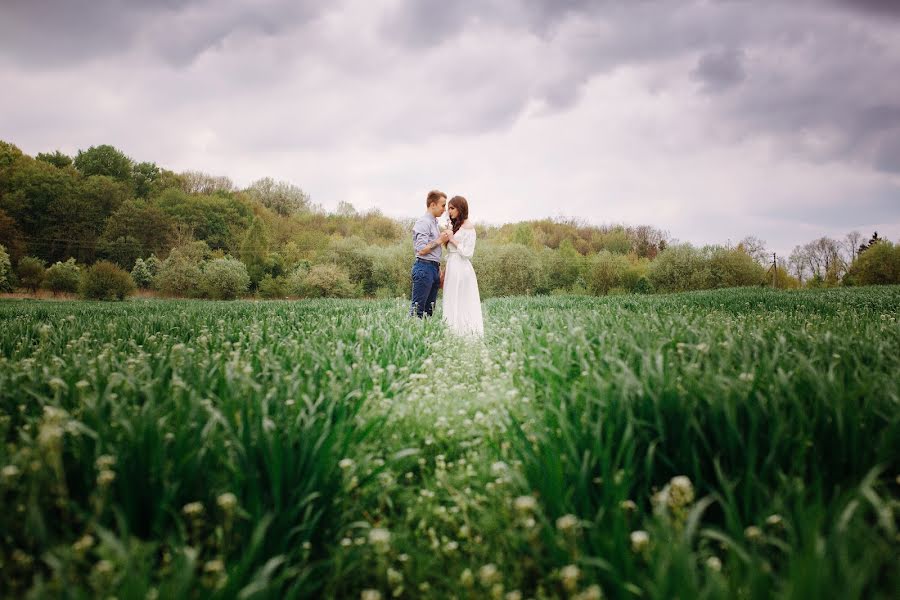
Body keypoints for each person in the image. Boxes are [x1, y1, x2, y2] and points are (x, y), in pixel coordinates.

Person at [442, 196, 484, 336]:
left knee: (462, 300)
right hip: (452, 265)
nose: (449, 211)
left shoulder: (469, 228)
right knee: (451, 299)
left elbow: (468, 253)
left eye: (452, 208)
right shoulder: (457, 226)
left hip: (461, 267)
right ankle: (452, 332)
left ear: (461, 208)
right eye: (448, 208)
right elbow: (449, 250)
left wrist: (452, 239)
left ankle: (466, 333)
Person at [410, 190, 451, 318]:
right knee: (418, 311)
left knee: (429, 312)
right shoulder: (423, 222)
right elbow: (421, 249)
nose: (445, 209)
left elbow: (434, 250)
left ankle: (425, 337)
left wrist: (438, 269)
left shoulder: (434, 223)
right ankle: (412, 337)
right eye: (443, 205)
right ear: (433, 205)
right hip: (424, 268)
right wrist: (440, 240)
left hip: (433, 269)